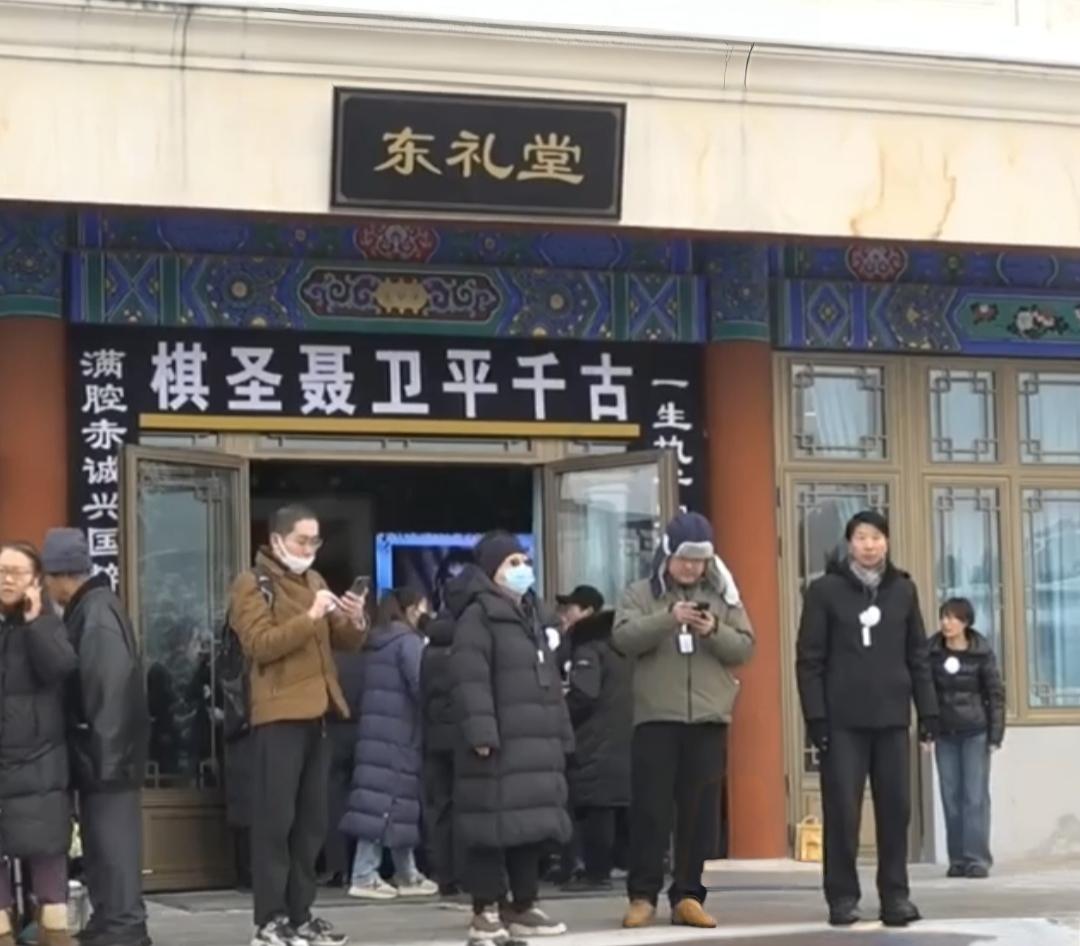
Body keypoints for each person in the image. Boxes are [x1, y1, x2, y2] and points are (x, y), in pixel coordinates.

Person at [229, 505, 368, 946]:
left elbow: (345, 641)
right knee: (276, 822)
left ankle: (301, 914)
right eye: (301, 540)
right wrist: (309, 617)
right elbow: (260, 645)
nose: (308, 549)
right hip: (278, 714)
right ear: (276, 540)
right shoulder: (253, 583)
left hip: (320, 712)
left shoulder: (315, 581)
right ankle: (270, 919)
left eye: (315, 541)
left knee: (311, 824)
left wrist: (354, 617)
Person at [795, 510, 939, 928]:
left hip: (892, 719)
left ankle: (895, 896)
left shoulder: (903, 590)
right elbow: (809, 660)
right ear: (849, 543)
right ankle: (842, 897)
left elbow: (918, 656)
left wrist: (928, 711)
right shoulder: (825, 591)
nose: (869, 545)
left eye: (876, 537)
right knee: (843, 812)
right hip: (843, 721)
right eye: (861, 537)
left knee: (896, 811)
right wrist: (816, 717)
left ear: (887, 542)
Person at [614, 511, 754, 930]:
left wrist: (713, 630)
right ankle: (642, 896)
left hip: (708, 718)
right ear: (668, 555)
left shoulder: (724, 595)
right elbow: (623, 638)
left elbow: (745, 647)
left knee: (699, 815)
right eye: (685, 559)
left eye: (700, 560)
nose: (692, 567)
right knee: (651, 811)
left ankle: (689, 896)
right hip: (657, 717)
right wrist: (669, 618)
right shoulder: (641, 593)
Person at [450, 532, 572, 943]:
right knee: (489, 826)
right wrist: (481, 731)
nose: (523, 570)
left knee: (527, 826)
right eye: (512, 563)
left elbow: (549, 678)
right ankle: (485, 907)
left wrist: (561, 731)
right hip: (496, 739)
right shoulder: (478, 616)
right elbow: (469, 677)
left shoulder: (532, 616)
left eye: (525, 561)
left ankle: (523, 903)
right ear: (491, 571)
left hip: (533, 738)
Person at [41, 528, 152, 946]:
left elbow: (108, 690)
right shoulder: (94, 608)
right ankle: (111, 923)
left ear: (59, 575)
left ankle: (123, 928)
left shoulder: (96, 613)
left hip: (107, 760)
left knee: (112, 847)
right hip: (105, 756)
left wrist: (104, 759)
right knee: (104, 848)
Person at [0, 541, 79, 946]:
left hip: (39, 760)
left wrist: (35, 623)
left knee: (46, 849)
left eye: (15, 572)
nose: (6, 579)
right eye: (1, 571)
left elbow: (61, 668)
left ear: (35, 580)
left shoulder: (47, 625)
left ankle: (54, 930)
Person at [342, 588, 437, 900]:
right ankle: (364, 874)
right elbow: (422, 685)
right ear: (411, 610)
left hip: (377, 731)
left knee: (392, 801)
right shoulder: (408, 642)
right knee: (386, 803)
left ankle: (406, 873)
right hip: (399, 732)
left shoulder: (377, 641)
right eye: (424, 607)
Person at [929, 597, 1005, 880]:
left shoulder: (981, 652)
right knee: (950, 796)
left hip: (975, 731)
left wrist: (995, 734)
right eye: (944, 617)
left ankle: (977, 859)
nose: (946, 623)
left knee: (974, 796)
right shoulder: (931, 651)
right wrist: (927, 730)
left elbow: (995, 694)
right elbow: (925, 694)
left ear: (966, 623)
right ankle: (958, 859)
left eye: (953, 618)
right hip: (945, 733)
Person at [562, 606, 632, 892]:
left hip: (595, 738)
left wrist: (560, 712)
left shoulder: (589, 652)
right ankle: (623, 863)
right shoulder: (628, 653)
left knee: (596, 806)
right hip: (626, 737)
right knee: (620, 803)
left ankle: (596, 873)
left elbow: (584, 695)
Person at [421, 599, 464, 898]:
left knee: (439, 807)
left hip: (434, 738)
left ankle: (443, 873)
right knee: (464, 805)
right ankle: (463, 871)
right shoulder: (463, 650)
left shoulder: (427, 652)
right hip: (461, 738)